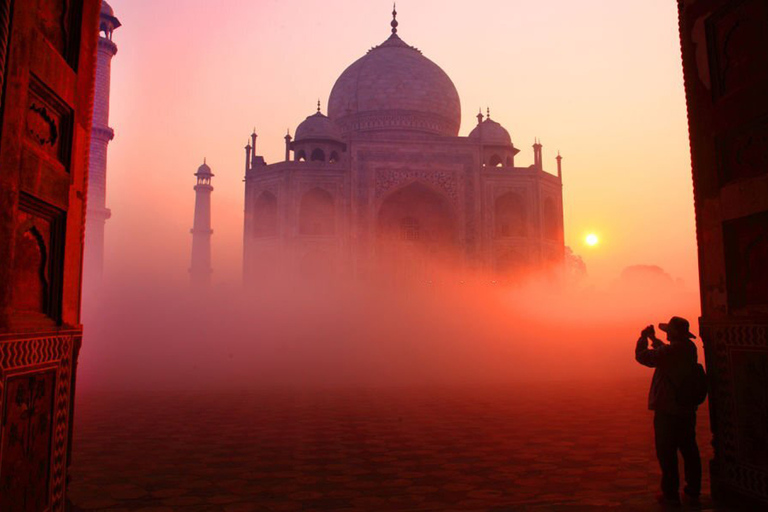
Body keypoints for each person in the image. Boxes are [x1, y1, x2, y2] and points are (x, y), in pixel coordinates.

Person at [635, 316, 702, 507]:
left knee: (667, 452)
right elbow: (665, 354)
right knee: (689, 450)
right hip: (686, 409)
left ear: (673, 334)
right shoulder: (689, 348)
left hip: (668, 410)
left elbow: (643, 356)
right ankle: (692, 491)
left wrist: (642, 339)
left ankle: (670, 495)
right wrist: (655, 341)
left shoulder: (673, 350)